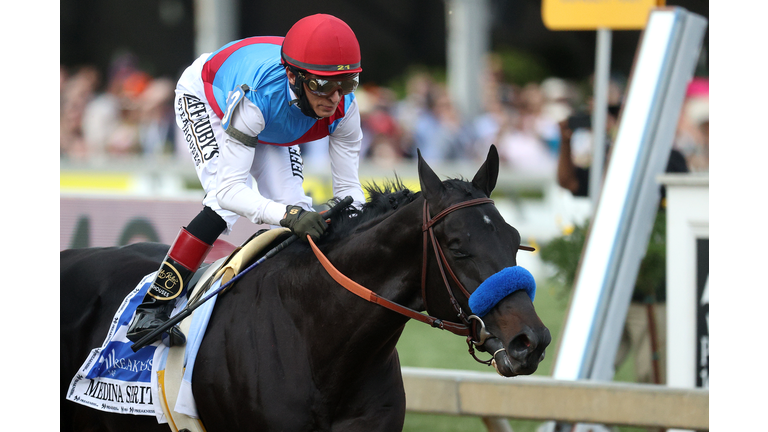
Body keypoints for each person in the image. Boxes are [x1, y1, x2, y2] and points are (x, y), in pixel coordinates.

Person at [126, 14, 367, 347]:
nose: (334, 97)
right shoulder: (257, 98)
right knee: (223, 206)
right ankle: (153, 306)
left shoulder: (345, 108)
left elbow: (350, 192)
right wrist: (288, 218)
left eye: (348, 83)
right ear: (294, 77)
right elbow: (229, 191)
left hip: (271, 116)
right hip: (208, 95)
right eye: (323, 85)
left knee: (295, 203)